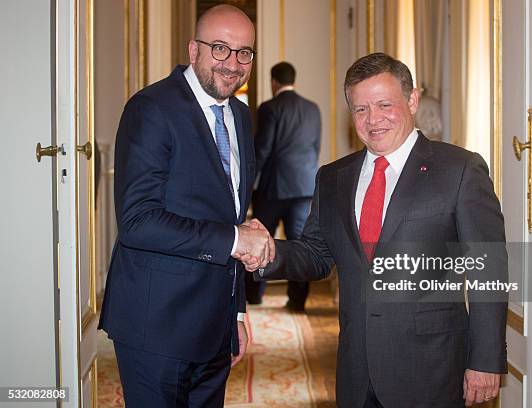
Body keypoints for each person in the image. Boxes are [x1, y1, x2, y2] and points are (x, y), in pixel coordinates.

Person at [241, 53, 507, 407]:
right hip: (356, 368)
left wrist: (485, 360)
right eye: (361, 109)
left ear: (412, 100)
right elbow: (317, 255)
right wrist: (267, 250)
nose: (373, 119)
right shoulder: (333, 177)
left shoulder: (459, 169)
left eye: (384, 104)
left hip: (432, 367)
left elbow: (488, 266)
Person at [98, 5, 274, 407]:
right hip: (156, 326)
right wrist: (235, 239)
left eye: (244, 52)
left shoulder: (242, 116)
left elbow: (229, 216)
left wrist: (237, 314)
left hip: (214, 326)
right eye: (220, 48)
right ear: (193, 50)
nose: (233, 63)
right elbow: (138, 221)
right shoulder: (151, 108)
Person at [245, 62, 321, 310]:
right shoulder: (312, 109)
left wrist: (247, 184)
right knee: (301, 244)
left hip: (273, 188)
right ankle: (297, 301)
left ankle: (254, 296)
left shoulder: (269, 108)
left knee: (258, 239)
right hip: (304, 188)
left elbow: (263, 149)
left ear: (273, 82)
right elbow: (314, 148)